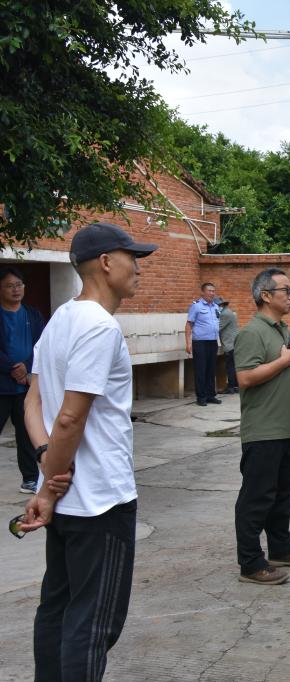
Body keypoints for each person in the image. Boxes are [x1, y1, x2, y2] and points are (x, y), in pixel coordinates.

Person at [18, 221, 156, 681]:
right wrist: (48, 489)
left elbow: (33, 401)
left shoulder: (61, 317)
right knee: (93, 623)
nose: (138, 268)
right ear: (106, 262)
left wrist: (45, 464)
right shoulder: (99, 328)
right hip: (100, 500)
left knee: (57, 608)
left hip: (67, 497)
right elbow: (69, 418)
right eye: (133, 258)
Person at [232, 268, 290, 585]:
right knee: (257, 498)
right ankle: (251, 562)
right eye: (287, 290)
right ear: (266, 296)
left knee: (283, 493)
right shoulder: (252, 333)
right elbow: (245, 377)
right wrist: (282, 362)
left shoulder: (281, 329)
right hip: (264, 431)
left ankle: (281, 547)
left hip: (289, 428)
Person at [0, 266, 45, 494]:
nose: (15, 289)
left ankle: (30, 479)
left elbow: (42, 344)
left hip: (25, 387)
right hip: (2, 386)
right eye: (9, 286)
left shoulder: (32, 314)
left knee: (27, 434)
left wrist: (26, 366)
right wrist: (11, 368)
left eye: (19, 285)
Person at [185, 282, 220, 406]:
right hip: (200, 342)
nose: (212, 293)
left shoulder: (216, 307)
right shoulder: (196, 306)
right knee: (201, 369)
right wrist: (188, 343)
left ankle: (210, 395)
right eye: (209, 291)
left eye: (213, 291)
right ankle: (201, 397)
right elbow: (189, 324)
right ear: (202, 292)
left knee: (211, 369)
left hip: (213, 341)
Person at [217, 296, 239, 394]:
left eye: (217, 305)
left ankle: (231, 387)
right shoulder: (228, 312)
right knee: (233, 366)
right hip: (233, 343)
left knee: (230, 366)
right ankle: (236, 386)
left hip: (230, 344)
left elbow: (218, 328)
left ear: (221, 305)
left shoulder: (224, 314)